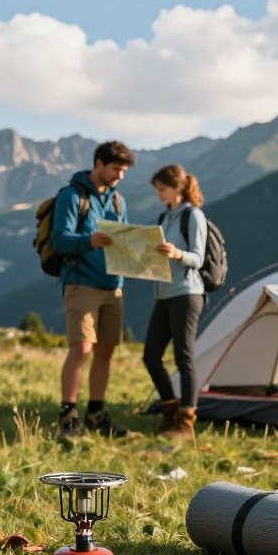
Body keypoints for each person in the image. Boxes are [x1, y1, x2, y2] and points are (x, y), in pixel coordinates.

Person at [51, 140, 136, 439]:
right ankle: (68, 416)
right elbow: (59, 240)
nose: (120, 176)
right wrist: (90, 241)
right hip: (81, 283)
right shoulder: (72, 196)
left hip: (114, 284)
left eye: (124, 171)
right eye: (116, 169)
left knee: (106, 351)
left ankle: (97, 415)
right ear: (99, 164)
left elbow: (123, 239)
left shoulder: (118, 201)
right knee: (82, 348)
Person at [142, 164, 208, 436]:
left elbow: (198, 258)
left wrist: (176, 254)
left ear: (178, 188)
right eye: (157, 189)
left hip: (187, 293)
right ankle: (170, 410)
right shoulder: (164, 218)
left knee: (184, 356)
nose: (159, 194)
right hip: (165, 293)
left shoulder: (192, 216)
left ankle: (185, 420)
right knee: (151, 356)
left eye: (163, 189)